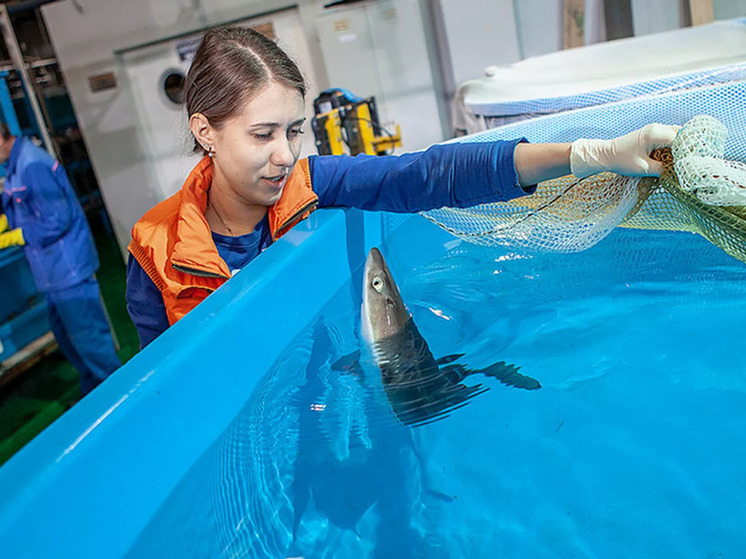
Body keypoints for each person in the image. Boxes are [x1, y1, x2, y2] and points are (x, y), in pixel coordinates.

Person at [126, 25, 678, 349]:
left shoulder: (311, 182)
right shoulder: (154, 253)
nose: (284, 154)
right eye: (262, 134)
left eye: (294, 130)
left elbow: (428, 174)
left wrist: (585, 154)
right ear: (206, 132)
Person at [0, 123, 121, 395]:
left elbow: (57, 219)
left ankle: (118, 401)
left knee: (91, 344)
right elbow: (31, 208)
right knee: (70, 341)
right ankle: (93, 397)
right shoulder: (17, 164)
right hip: (53, 275)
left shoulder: (32, 165)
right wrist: (6, 221)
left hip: (68, 271)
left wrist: (16, 236)